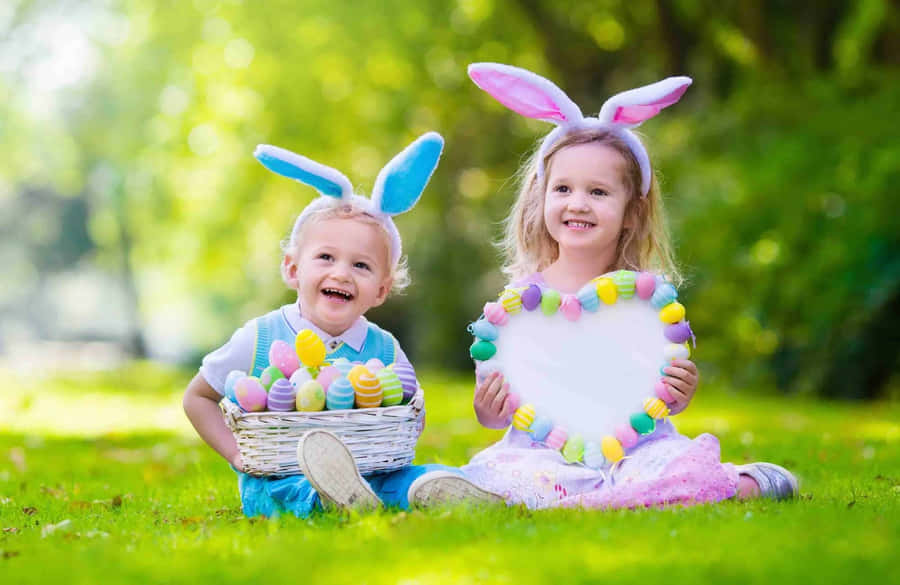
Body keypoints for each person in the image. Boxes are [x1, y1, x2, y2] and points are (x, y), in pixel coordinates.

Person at [460, 63, 798, 509]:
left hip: (635, 452)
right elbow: (494, 415)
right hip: (543, 455)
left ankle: (731, 482)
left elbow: (650, 399)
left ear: (631, 213)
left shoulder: (645, 303)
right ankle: (608, 497)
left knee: (674, 466)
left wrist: (678, 393)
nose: (577, 203)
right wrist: (489, 408)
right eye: (562, 188)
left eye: (598, 192)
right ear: (541, 198)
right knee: (501, 478)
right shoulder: (519, 307)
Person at [183, 132, 500, 517]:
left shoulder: (384, 348)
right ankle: (327, 499)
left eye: (361, 265)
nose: (342, 273)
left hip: (371, 471)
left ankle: (428, 487)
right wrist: (237, 453)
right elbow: (197, 397)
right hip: (281, 476)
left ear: (381, 290)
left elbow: (410, 409)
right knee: (286, 491)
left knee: (400, 478)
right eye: (326, 257)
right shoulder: (262, 336)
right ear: (292, 268)